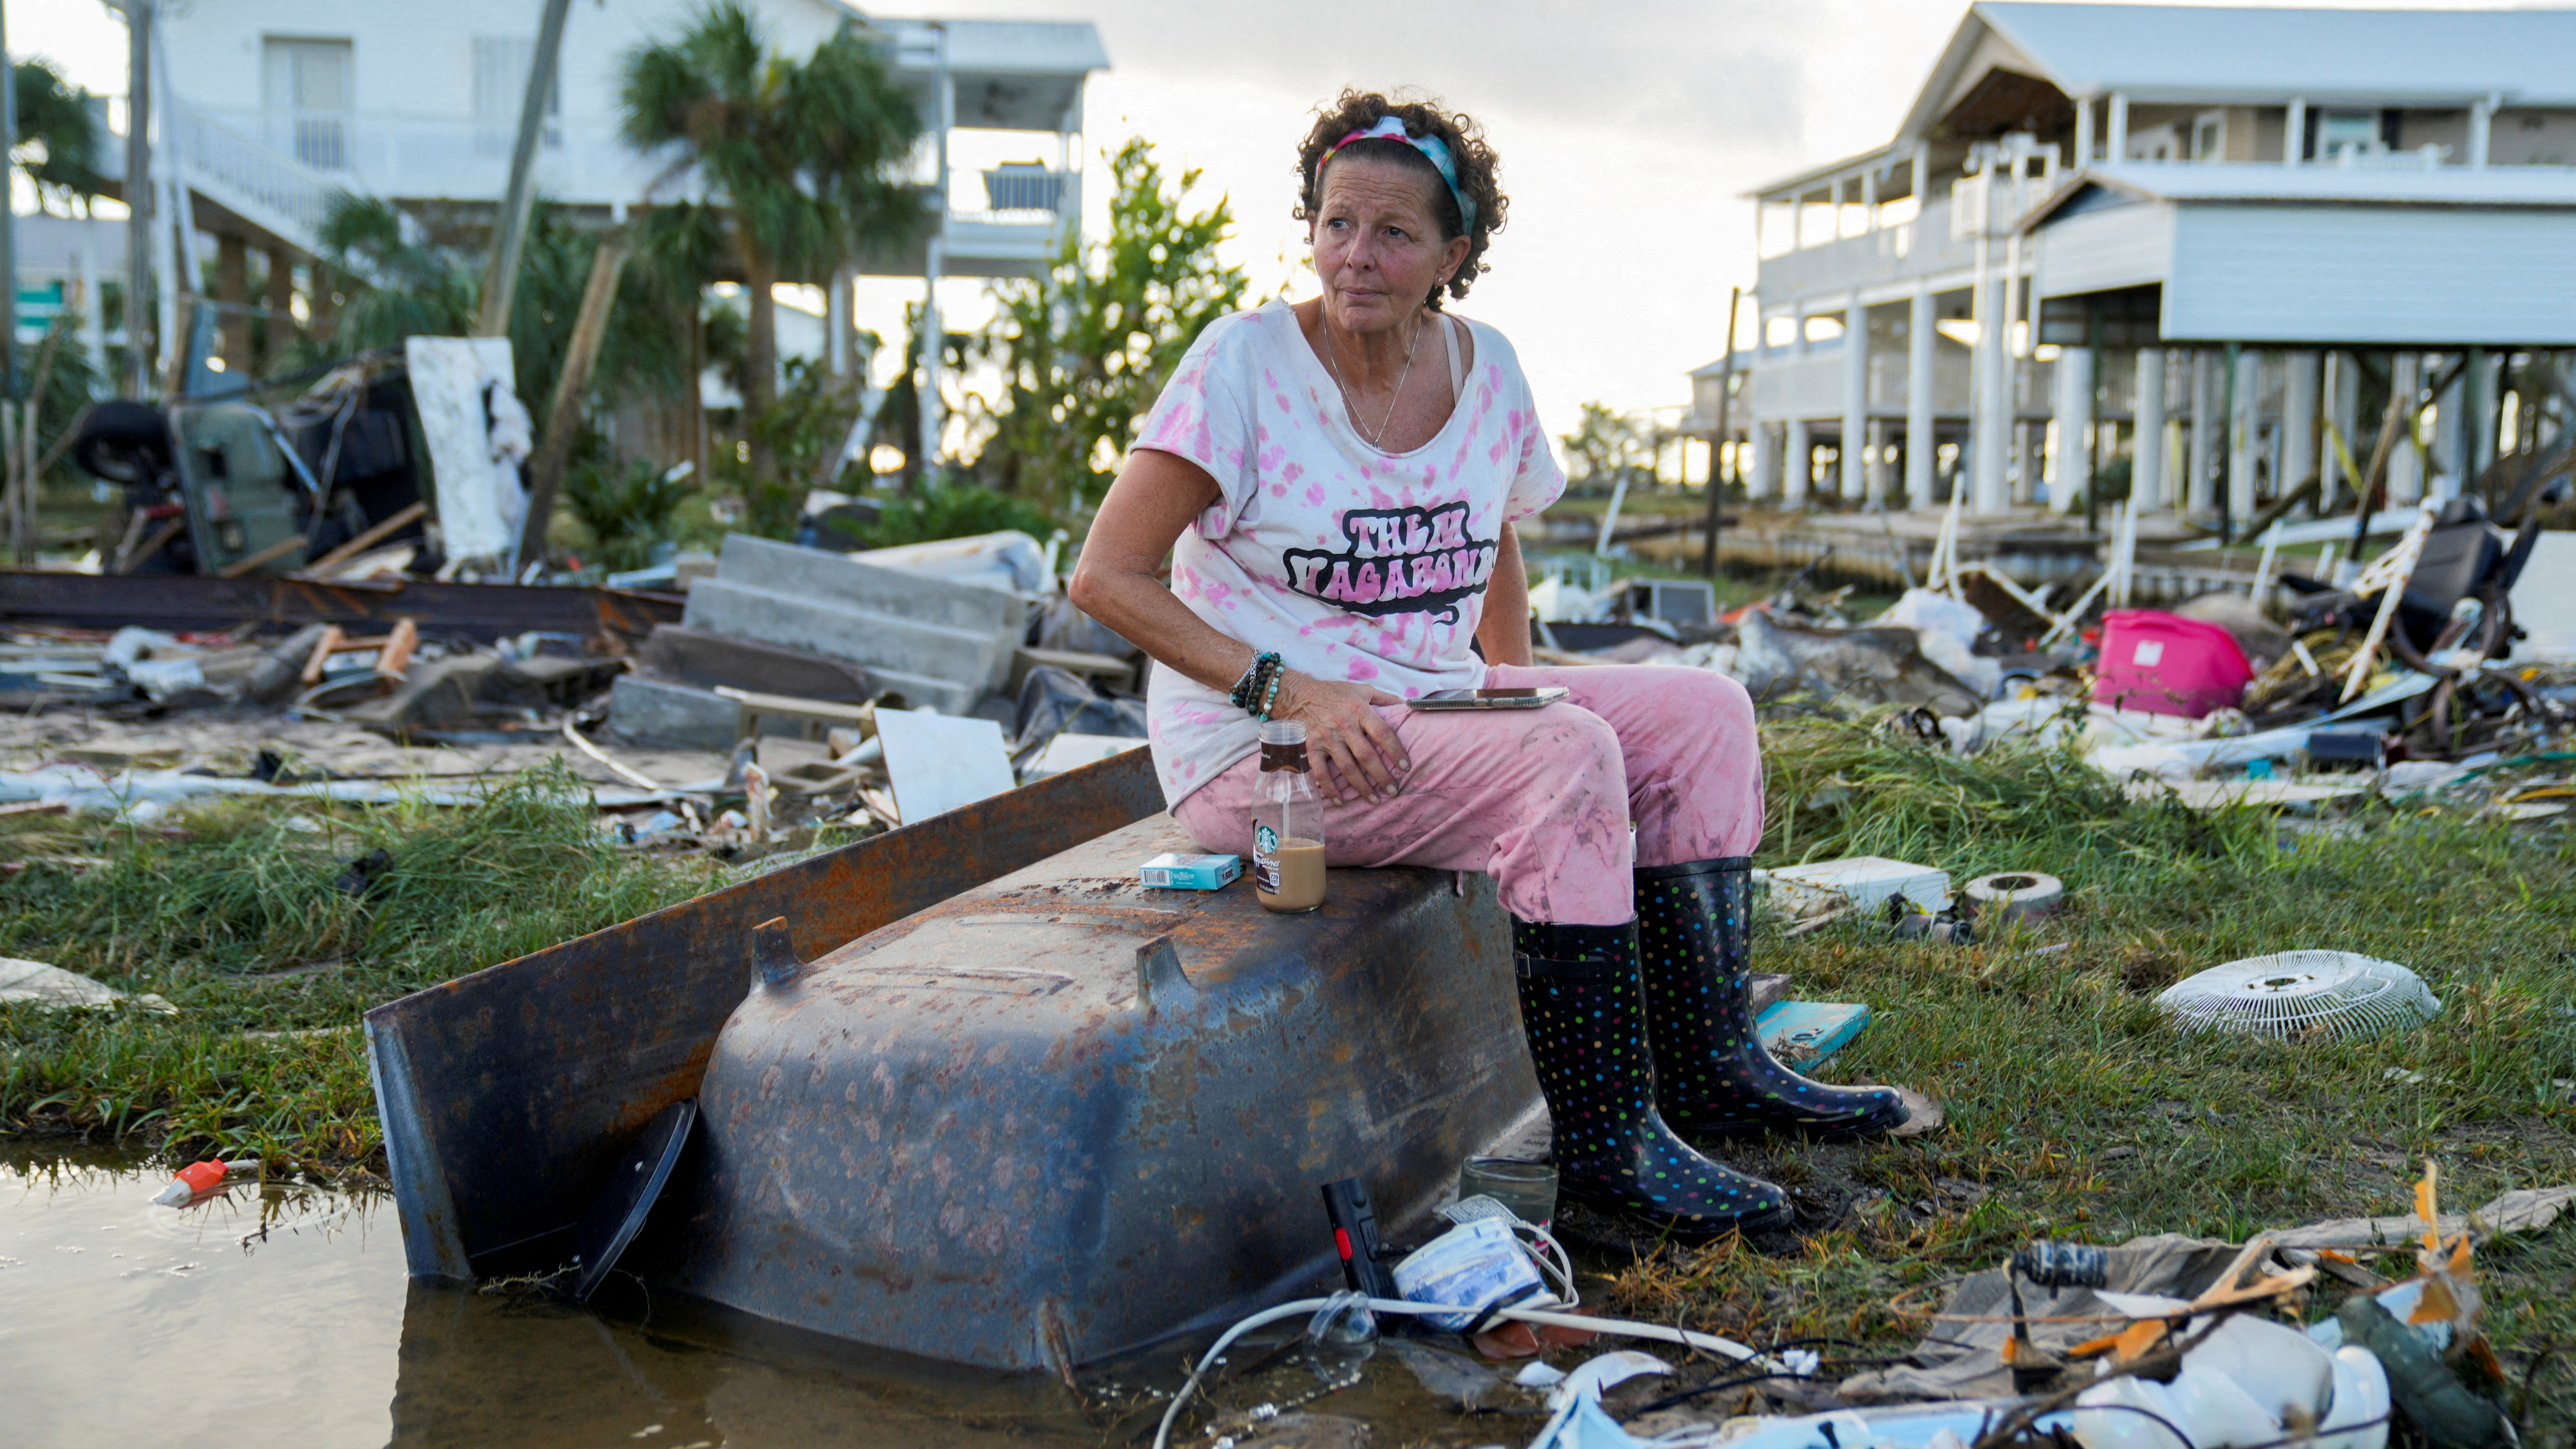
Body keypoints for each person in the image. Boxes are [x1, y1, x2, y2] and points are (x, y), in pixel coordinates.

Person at [1068, 91, 1911, 1239]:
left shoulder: (1487, 367)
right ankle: (1609, 1155)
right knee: (1562, 758)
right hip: (1263, 748)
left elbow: (1495, 528)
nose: (1355, 256)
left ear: (1451, 254)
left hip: (1431, 703)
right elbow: (1106, 577)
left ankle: (1712, 1069)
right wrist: (1291, 691)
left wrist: (1511, 682)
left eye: (1393, 232)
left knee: (1706, 709)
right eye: (1333, 224)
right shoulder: (1243, 365)